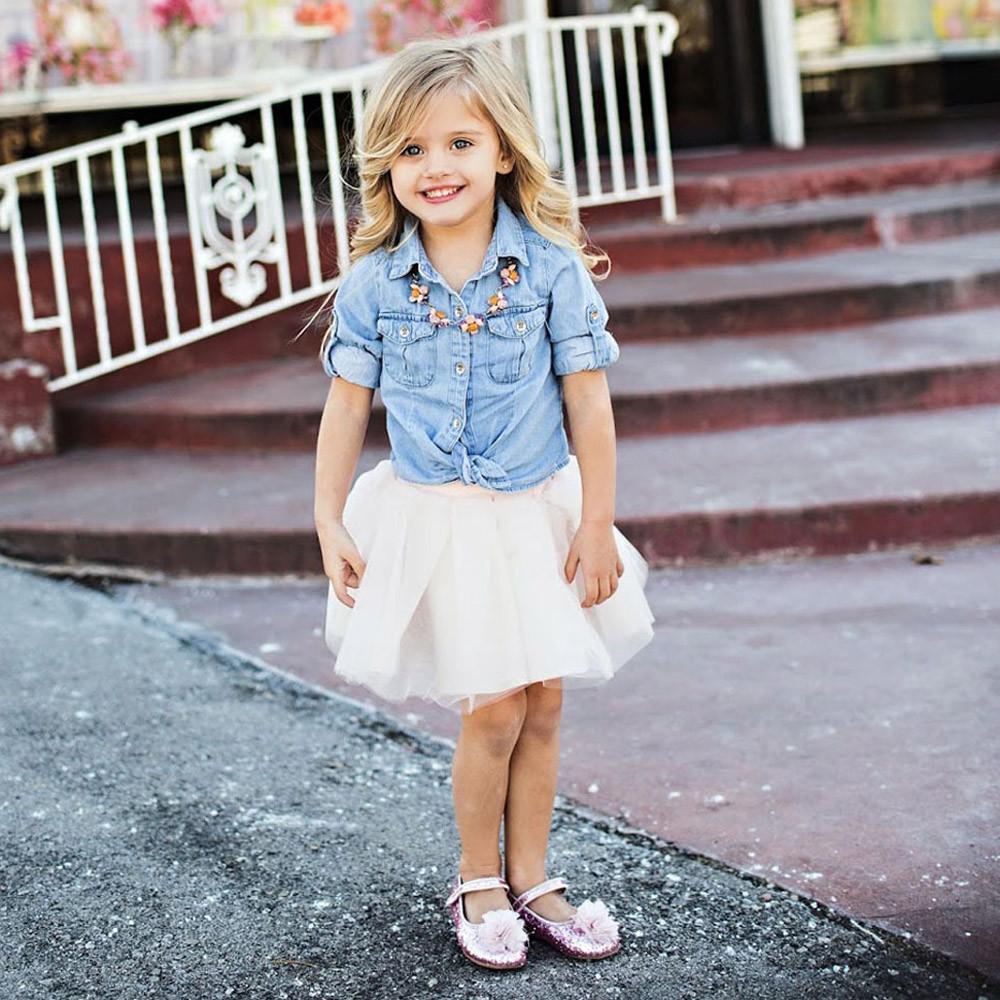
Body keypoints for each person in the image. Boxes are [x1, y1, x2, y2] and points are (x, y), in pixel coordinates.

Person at [312, 33, 655, 970]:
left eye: (459, 143)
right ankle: (476, 878)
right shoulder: (378, 282)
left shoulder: (548, 268)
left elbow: (590, 403)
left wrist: (594, 525)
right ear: (388, 163)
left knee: (543, 701)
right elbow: (348, 405)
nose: (436, 167)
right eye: (413, 149)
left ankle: (534, 877)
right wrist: (328, 517)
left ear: (503, 149)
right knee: (494, 705)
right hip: (443, 523)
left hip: (537, 512)